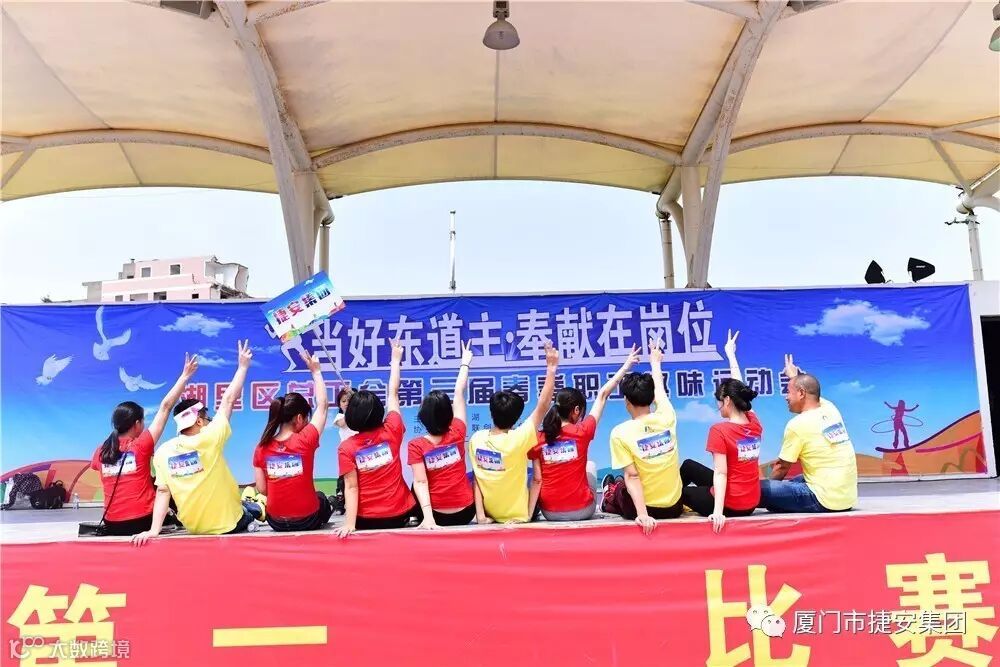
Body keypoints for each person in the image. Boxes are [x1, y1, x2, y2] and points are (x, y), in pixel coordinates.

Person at [132, 340, 259, 545]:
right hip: (228, 524)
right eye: (207, 419)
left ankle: (249, 502)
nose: (209, 422)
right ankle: (255, 505)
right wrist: (243, 366)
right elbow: (228, 400)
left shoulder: (163, 452)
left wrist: (154, 531)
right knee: (248, 512)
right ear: (199, 421)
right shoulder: (211, 437)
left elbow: (163, 492)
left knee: (241, 504)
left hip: (194, 527)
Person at [528, 346, 640, 522]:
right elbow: (602, 395)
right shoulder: (583, 431)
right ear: (576, 410)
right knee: (590, 466)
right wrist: (626, 366)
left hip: (549, 513)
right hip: (583, 511)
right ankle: (607, 496)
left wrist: (528, 516)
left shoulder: (540, 438)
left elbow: (537, 480)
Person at [89, 353, 197, 535]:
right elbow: (166, 407)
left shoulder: (101, 450)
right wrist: (185, 376)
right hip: (142, 521)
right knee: (167, 481)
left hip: (112, 523)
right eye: (143, 421)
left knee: (152, 480)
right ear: (137, 423)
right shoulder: (141, 445)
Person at [679, 330, 761, 533]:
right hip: (751, 501)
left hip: (731, 505)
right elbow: (739, 387)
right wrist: (731, 355)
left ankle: (670, 502)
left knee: (681, 493)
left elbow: (721, 473)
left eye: (719, 402)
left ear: (727, 401)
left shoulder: (720, 430)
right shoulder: (754, 422)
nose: (717, 406)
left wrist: (718, 512)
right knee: (688, 466)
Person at [469, 341, 559, 524]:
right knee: (535, 475)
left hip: (490, 513)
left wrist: (481, 517)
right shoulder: (519, 438)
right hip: (519, 515)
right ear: (517, 417)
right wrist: (551, 368)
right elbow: (543, 405)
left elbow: (477, 480)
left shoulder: (476, 439)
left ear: (491, 412)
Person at [336, 340, 418, 537]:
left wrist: (350, 524)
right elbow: (393, 394)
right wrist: (395, 360)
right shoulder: (392, 429)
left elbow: (351, 487)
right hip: (399, 515)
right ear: (379, 410)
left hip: (364, 520)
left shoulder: (346, 448)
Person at [602, 337, 683, 534]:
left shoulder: (620, 433)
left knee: (621, 488)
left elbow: (633, 476)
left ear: (626, 401)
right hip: (674, 507)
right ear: (652, 398)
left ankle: (608, 495)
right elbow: (660, 389)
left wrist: (643, 515)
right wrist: (655, 362)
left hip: (644, 510)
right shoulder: (667, 416)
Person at [760, 354, 858, 513]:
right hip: (846, 497)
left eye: (788, 392)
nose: (786, 397)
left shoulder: (797, 425)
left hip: (823, 500)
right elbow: (811, 391)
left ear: (801, 393)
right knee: (797, 480)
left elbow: (781, 467)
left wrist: (769, 489)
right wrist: (794, 376)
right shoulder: (830, 408)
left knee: (757, 489)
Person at [252, 350, 332, 532]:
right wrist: (316, 372)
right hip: (307, 521)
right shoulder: (305, 439)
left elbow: (262, 489)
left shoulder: (261, 447)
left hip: (276, 522)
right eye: (306, 418)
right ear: (299, 418)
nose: (307, 422)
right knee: (321, 498)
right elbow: (323, 406)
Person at [408, 342, 476, 528]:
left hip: (436, 516)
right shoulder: (458, 430)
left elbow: (421, 481)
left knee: (416, 482)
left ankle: (422, 517)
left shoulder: (416, 445)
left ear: (423, 417)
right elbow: (459, 392)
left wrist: (429, 518)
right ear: (449, 414)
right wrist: (465, 362)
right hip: (466, 513)